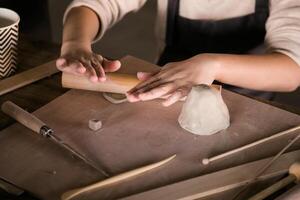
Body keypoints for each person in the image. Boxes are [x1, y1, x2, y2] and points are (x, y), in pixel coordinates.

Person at [56, 0, 300, 107]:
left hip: (247, 102)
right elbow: (97, 3)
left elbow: (292, 68)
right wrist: (75, 43)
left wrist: (212, 65)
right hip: (168, 96)